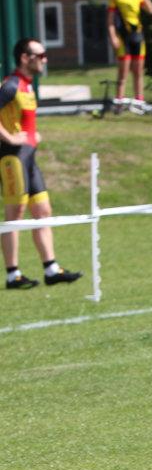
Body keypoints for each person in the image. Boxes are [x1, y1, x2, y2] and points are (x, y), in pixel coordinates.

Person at [0, 39, 81, 290]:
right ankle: (13, 274)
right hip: (12, 158)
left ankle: (51, 269)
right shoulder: (11, 85)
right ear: (26, 58)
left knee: (43, 211)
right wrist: (10, 137)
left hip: (29, 158)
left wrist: (34, 136)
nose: (45, 59)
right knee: (15, 215)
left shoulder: (27, 86)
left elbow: (24, 122)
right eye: (41, 54)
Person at [107, 0, 152, 114]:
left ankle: (139, 103)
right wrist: (113, 37)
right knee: (123, 72)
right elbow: (110, 21)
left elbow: (151, 10)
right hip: (123, 38)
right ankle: (119, 104)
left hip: (137, 37)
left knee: (138, 71)